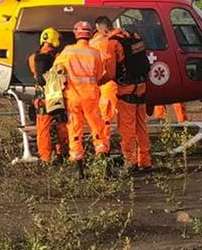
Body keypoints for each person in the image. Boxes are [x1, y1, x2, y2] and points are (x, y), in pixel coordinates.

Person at [54, 20, 111, 161]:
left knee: (74, 128)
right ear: (90, 34)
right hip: (91, 97)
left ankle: (77, 162)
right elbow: (98, 75)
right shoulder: (96, 53)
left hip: (72, 97)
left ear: (76, 34)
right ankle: (103, 156)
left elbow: (56, 71)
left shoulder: (67, 51)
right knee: (97, 127)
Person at [106, 24, 153, 171]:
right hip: (141, 87)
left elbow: (111, 73)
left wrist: (97, 82)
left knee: (127, 129)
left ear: (104, 29)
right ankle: (145, 162)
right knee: (141, 127)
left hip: (126, 90)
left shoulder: (113, 43)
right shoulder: (134, 37)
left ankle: (130, 162)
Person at [29, 27, 67, 164]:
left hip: (41, 98)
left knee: (43, 129)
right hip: (56, 97)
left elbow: (35, 75)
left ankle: (45, 158)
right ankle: (62, 153)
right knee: (62, 126)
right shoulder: (58, 57)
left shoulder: (33, 58)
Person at [89, 15, 125, 138]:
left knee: (106, 113)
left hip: (108, 81)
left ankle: (105, 143)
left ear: (100, 28)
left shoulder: (105, 41)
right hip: (120, 81)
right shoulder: (122, 36)